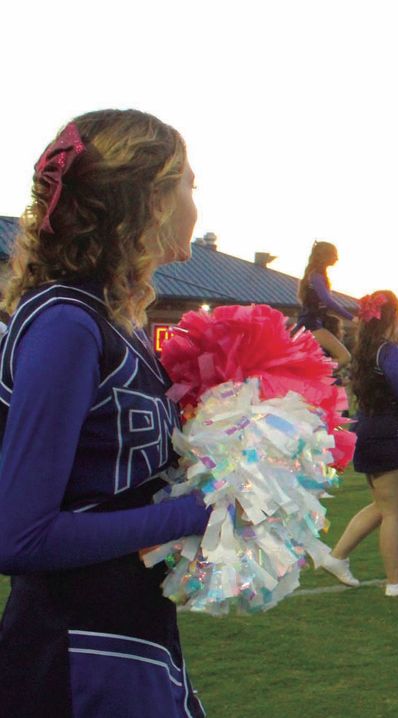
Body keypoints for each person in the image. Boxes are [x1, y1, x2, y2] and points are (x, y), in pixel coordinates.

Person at [0, 110, 211, 716]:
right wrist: (195, 512)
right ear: (147, 199)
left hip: (135, 636)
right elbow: (21, 537)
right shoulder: (67, 323)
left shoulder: (120, 322)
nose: (196, 203)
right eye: (189, 185)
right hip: (75, 655)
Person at [325, 291, 398, 596]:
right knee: (393, 511)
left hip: (366, 431)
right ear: (393, 317)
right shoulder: (388, 352)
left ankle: (336, 557)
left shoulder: (363, 350)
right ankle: (396, 582)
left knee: (382, 506)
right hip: (386, 434)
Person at [296, 241, 354, 366]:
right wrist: (352, 317)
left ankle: (317, 375)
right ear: (325, 256)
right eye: (334, 254)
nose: (337, 258)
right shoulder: (316, 276)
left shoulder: (314, 275)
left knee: (321, 358)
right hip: (311, 324)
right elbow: (328, 301)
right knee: (344, 357)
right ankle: (318, 375)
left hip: (310, 323)